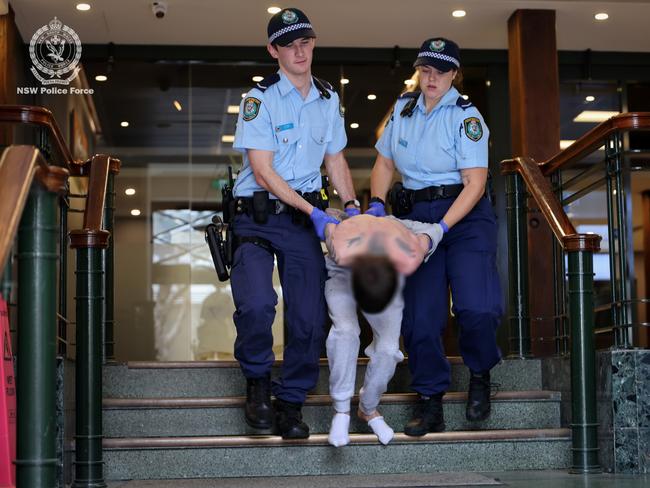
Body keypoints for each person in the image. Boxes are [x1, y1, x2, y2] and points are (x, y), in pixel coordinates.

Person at [229, 7, 358, 439]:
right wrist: (315, 211)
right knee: (257, 305)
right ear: (274, 51)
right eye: (289, 44)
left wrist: (352, 204)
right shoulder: (259, 99)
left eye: (306, 42)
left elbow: (335, 158)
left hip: (304, 221)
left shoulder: (327, 98)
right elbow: (263, 170)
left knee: (307, 316)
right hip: (258, 217)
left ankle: (291, 401)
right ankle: (258, 383)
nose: (300, 51)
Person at [367, 37, 503, 436]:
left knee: (477, 308)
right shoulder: (403, 110)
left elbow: (475, 184)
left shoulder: (467, 117)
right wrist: (376, 202)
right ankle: (430, 399)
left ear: (454, 75)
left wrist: (439, 231)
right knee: (421, 318)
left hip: (463, 218)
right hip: (414, 216)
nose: (431, 78)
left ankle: (480, 374)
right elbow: (385, 161)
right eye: (425, 70)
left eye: (440, 71)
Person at [322, 211, 444, 446]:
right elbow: (328, 219)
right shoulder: (342, 241)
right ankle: (342, 410)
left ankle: (367, 409)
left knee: (389, 350)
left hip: (386, 270)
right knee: (345, 332)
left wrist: (426, 239)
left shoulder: (403, 246)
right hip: (341, 274)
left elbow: (436, 228)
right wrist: (333, 220)